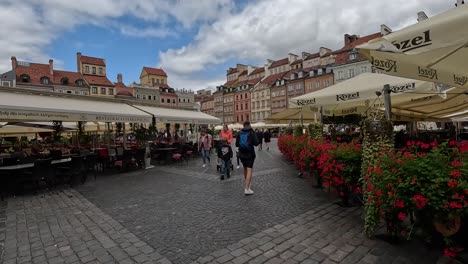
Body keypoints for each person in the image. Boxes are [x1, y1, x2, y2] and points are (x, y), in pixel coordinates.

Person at [236, 121, 259, 195]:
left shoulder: (239, 132)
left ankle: (247, 183)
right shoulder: (252, 132)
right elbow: (256, 143)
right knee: (249, 170)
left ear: (243, 125)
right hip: (250, 154)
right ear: (249, 125)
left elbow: (236, 144)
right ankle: (247, 188)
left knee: (245, 168)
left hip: (241, 154)